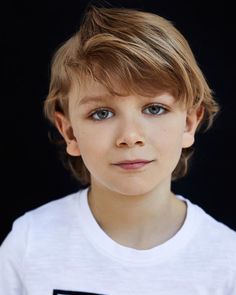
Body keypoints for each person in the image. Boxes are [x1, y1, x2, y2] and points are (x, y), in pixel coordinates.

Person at [1, 5, 236, 295]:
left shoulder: (227, 262)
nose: (130, 136)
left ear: (189, 124)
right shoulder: (30, 242)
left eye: (154, 108)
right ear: (70, 131)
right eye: (101, 113)